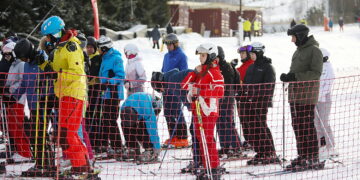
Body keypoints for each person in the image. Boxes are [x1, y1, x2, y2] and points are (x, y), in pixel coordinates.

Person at [40, 16, 92, 175]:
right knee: (63, 134)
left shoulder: (71, 47)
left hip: (74, 93)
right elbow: (56, 69)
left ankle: (82, 168)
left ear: (56, 32)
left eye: (49, 36)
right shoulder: (60, 48)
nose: (48, 39)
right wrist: (43, 64)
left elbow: (76, 73)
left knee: (68, 134)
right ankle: (80, 165)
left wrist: (57, 75)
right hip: (64, 94)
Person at [280, 24, 324, 171]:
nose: (292, 40)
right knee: (297, 126)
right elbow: (296, 71)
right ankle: (303, 155)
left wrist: (295, 77)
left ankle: (312, 157)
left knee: (307, 126)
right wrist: (288, 77)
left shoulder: (314, 51)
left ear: (300, 36)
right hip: (294, 96)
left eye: (293, 37)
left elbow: (316, 73)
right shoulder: (298, 52)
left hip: (306, 96)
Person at [181, 43, 224, 180]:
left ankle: (213, 167)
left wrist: (201, 91)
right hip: (197, 110)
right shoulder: (200, 72)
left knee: (207, 139)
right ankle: (207, 167)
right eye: (200, 55)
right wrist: (194, 72)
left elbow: (220, 91)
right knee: (201, 139)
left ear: (211, 56)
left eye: (203, 55)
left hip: (208, 111)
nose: (200, 58)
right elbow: (184, 85)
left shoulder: (215, 72)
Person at [14, 39, 56, 177]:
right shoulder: (26, 65)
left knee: (39, 134)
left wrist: (45, 88)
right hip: (33, 105)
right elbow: (25, 84)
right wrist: (12, 95)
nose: (23, 59)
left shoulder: (42, 57)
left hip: (43, 102)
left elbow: (51, 75)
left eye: (23, 56)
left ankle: (43, 164)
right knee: (35, 133)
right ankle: (44, 162)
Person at [238, 42, 279, 165]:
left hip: (261, 102)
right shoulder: (252, 67)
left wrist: (257, 96)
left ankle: (269, 152)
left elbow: (268, 87)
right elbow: (246, 84)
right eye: (250, 53)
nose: (251, 55)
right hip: (249, 102)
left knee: (260, 126)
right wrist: (242, 94)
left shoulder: (267, 67)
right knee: (252, 128)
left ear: (259, 52)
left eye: (253, 53)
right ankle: (260, 152)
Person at [97, 35, 125, 158]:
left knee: (111, 120)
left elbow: (121, 76)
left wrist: (109, 82)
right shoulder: (104, 58)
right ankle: (110, 145)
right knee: (106, 120)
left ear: (104, 48)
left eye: (99, 48)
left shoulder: (116, 58)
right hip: (105, 94)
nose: (98, 50)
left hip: (113, 94)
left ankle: (117, 146)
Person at [161, 33, 189, 148]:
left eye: (169, 44)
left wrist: (179, 86)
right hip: (166, 89)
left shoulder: (181, 55)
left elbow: (184, 72)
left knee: (176, 111)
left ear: (174, 44)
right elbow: (163, 70)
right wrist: (161, 82)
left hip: (176, 88)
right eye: (166, 44)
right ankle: (173, 136)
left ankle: (182, 137)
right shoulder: (166, 56)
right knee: (167, 112)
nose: (167, 47)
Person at [119, 92, 162, 163]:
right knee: (125, 126)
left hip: (150, 104)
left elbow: (153, 130)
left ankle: (149, 150)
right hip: (136, 106)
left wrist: (157, 147)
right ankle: (133, 149)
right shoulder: (123, 109)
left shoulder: (147, 111)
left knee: (143, 127)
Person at [216, 46, 242, 158]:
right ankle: (225, 146)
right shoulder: (217, 67)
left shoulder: (226, 67)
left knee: (227, 121)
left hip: (227, 97)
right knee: (220, 122)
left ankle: (235, 146)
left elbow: (230, 83)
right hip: (219, 98)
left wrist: (227, 94)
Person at [315, 48, 338, 160]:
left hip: (325, 99)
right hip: (315, 98)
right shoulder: (316, 67)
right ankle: (321, 146)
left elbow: (328, 84)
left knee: (324, 122)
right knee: (316, 123)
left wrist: (319, 95)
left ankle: (331, 146)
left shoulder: (328, 68)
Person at [84, 36, 105, 153]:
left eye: (91, 47)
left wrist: (96, 80)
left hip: (97, 90)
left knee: (97, 116)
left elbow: (101, 73)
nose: (89, 49)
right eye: (87, 47)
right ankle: (91, 141)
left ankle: (99, 142)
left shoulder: (98, 58)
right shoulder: (86, 57)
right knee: (88, 115)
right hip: (87, 89)